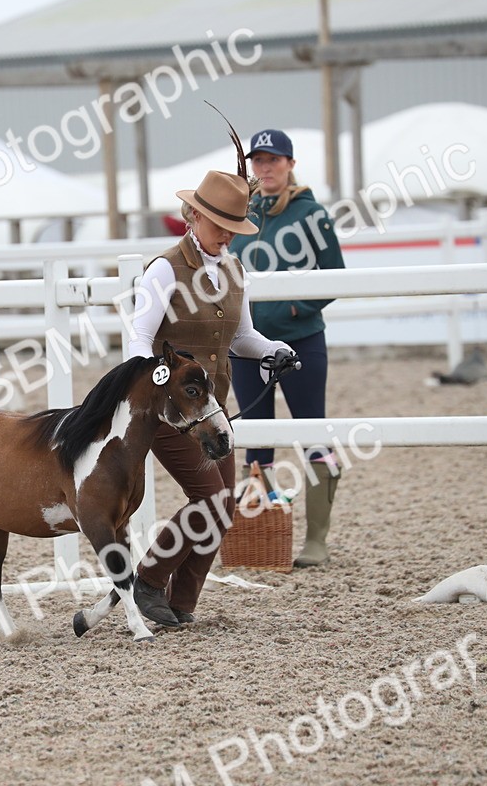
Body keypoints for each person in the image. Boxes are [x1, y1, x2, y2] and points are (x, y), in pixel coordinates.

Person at [127, 169, 297, 627]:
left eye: (235, 227)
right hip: (171, 411)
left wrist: (274, 351)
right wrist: (157, 383)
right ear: (195, 216)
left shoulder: (234, 270)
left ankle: (181, 604)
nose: (228, 235)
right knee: (211, 499)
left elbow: (242, 338)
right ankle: (148, 578)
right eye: (221, 225)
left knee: (222, 509)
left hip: (213, 410)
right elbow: (138, 338)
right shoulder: (165, 269)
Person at [229, 129, 346, 568]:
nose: (265, 168)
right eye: (259, 161)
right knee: (255, 440)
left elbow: (335, 274)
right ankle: (258, 534)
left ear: (290, 164)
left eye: (273, 160)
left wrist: (299, 306)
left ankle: (316, 540)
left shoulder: (311, 214)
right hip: (247, 347)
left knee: (312, 432)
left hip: (301, 341)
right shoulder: (240, 215)